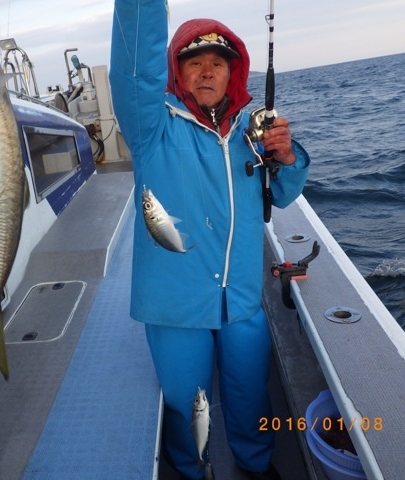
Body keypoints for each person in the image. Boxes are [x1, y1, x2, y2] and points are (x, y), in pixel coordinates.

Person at [109, 1, 310, 479]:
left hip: (241, 298)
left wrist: (286, 157)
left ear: (231, 73)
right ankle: (191, 469)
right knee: (187, 401)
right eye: (193, 62)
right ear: (176, 73)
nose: (205, 72)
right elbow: (134, 68)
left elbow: (283, 194)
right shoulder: (152, 127)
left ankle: (255, 465)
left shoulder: (248, 132)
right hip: (175, 306)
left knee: (250, 392)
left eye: (217, 64)